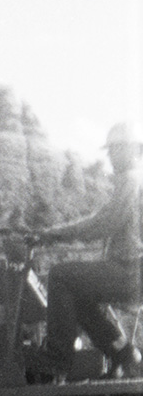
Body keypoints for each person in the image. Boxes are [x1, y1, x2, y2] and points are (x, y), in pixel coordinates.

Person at [36, 122, 143, 379]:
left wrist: (54, 234)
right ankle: (123, 354)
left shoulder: (131, 182)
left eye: (117, 150)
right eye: (111, 151)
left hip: (130, 271)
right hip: (130, 269)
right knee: (78, 297)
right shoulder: (130, 183)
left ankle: (57, 361)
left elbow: (103, 223)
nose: (112, 156)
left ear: (132, 151)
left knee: (60, 276)